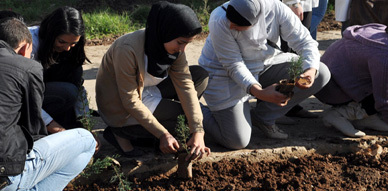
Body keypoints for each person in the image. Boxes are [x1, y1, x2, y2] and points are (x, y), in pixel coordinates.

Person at [199, 0, 330, 149]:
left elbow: (305, 42)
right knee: (236, 140)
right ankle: (193, 109)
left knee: (321, 72)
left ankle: (262, 117)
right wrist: (260, 92)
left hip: (264, 63)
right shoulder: (219, 19)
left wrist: (310, 71)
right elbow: (233, 64)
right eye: (230, 20)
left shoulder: (276, 8)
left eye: (237, 24)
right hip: (224, 73)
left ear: (257, 20)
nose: (231, 26)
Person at [96, 1, 211, 159]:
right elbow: (130, 100)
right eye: (180, 42)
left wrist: (198, 130)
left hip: (148, 89)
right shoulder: (127, 49)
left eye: (187, 43)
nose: (183, 49)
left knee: (200, 76)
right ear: (166, 32)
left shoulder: (173, 48)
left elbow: (186, 85)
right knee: (182, 121)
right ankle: (122, 132)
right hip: (121, 105)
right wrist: (163, 134)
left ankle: (159, 125)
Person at [0, 17, 96, 191]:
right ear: (24, 48)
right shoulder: (26, 66)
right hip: (5, 176)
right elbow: (33, 126)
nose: (67, 48)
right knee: (86, 139)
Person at [315, 23, 388, 137]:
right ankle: (341, 113)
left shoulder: (381, 30)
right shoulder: (383, 55)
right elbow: (383, 100)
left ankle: (365, 117)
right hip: (332, 90)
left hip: (341, 79)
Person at [29, 6, 93, 130]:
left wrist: (86, 126)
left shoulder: (71, 50)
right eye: (62, 42)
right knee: (67, 92)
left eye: (73, 43)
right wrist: (52, 126)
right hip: (24, 96)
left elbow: (79, 88)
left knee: (72, 87)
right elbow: (24, 94)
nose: (67, 48)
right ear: (50, 33)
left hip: (43, 94)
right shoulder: (30, 44)